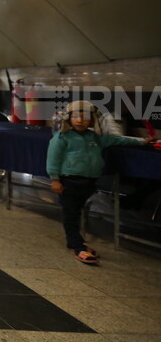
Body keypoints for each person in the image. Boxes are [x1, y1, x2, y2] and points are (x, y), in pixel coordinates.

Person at [47, 100, 148, 264]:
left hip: (88, 183)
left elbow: (120, 140)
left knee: (77, 213)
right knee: (71, 215)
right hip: (69, 183)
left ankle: (74, 242)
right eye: (76, 117)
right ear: (68, 118)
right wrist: (55, 180)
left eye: (85, 117)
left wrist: (142, 142)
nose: (80, 120)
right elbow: (53, 160)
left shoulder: (96, 138)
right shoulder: (61, 138)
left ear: (92, 120)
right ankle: (77, 246)